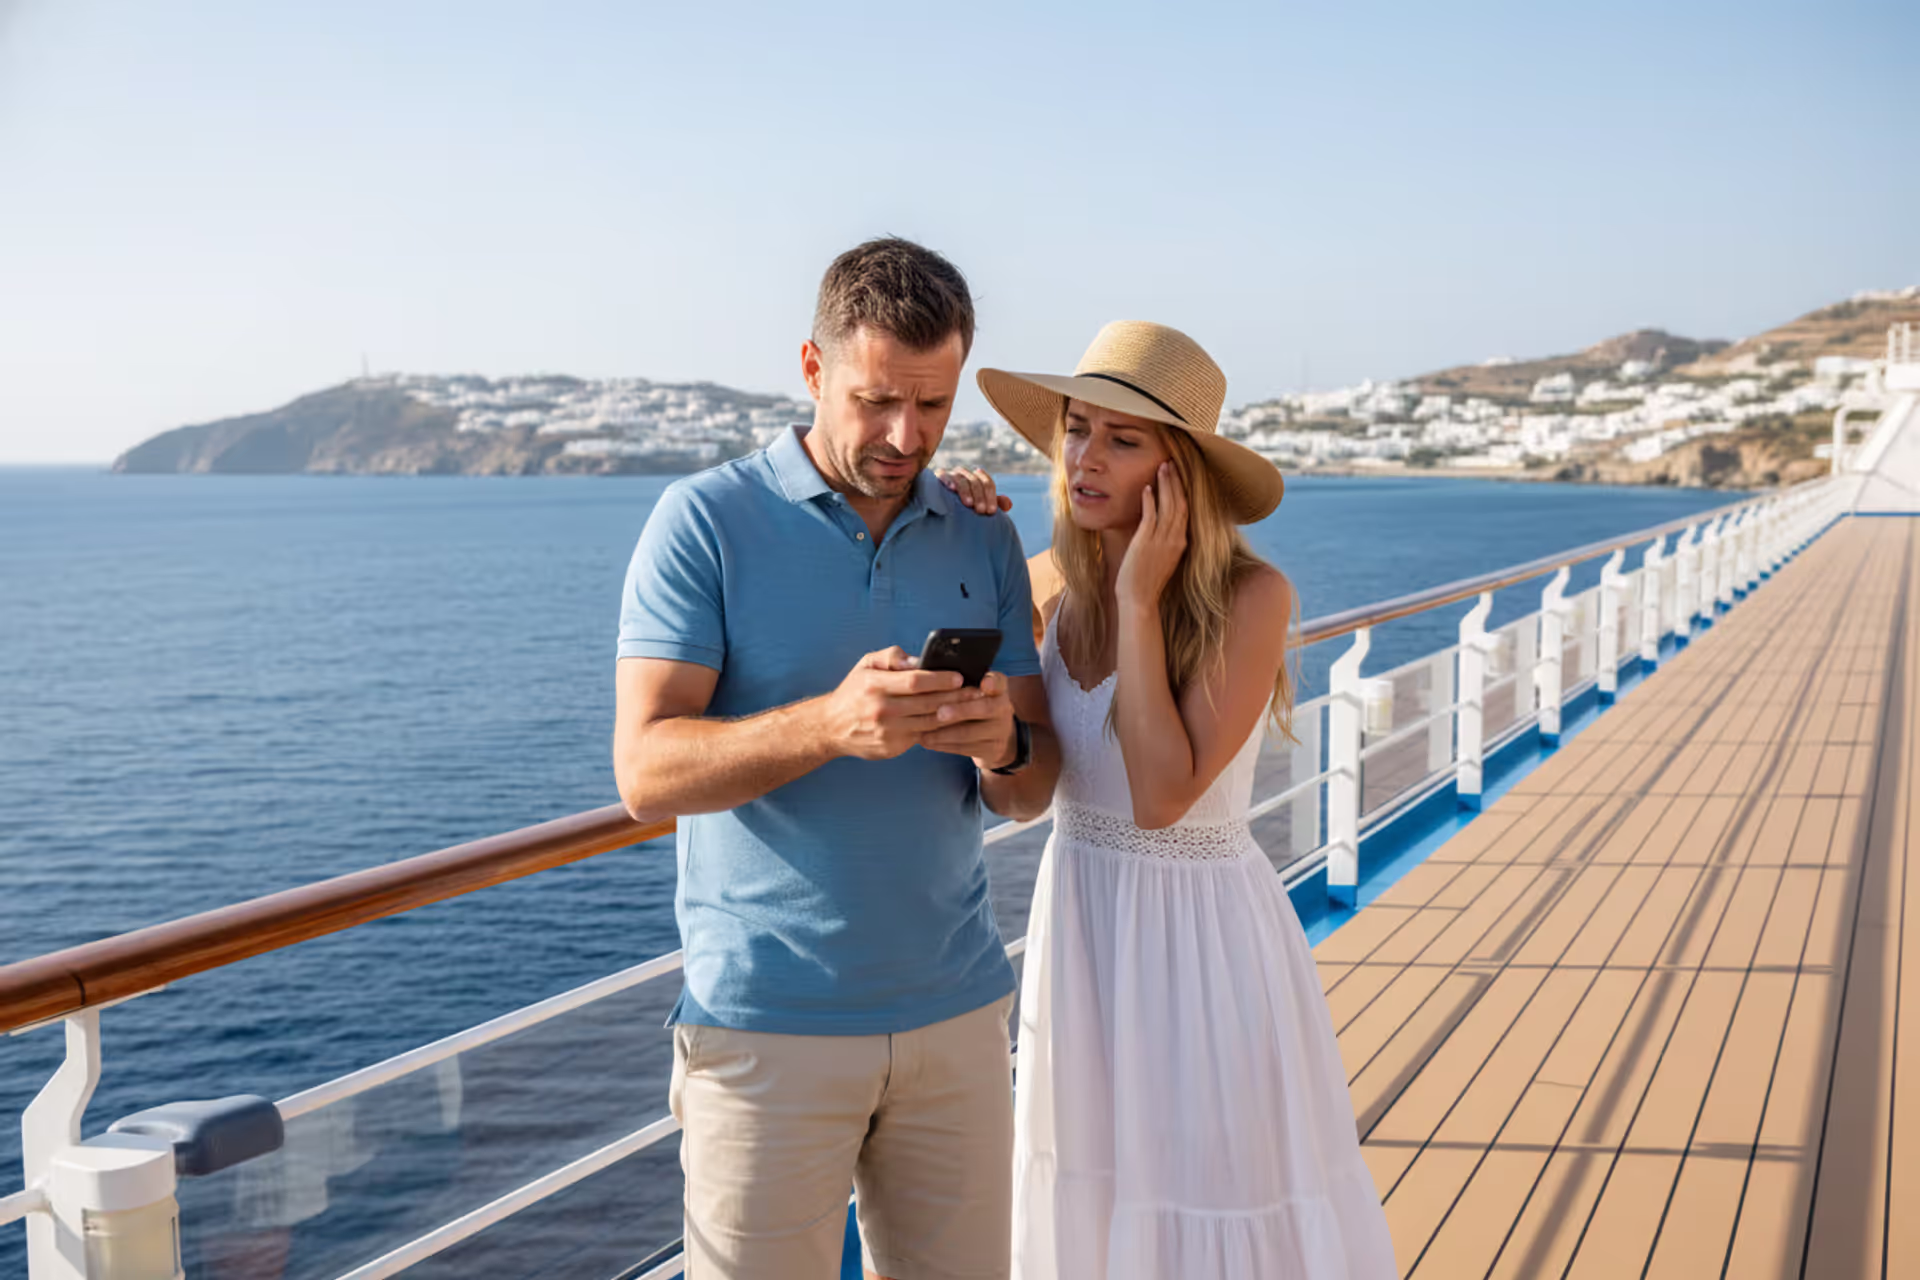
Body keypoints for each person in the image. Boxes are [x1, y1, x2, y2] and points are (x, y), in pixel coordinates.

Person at [612, 237, 1060, 1280]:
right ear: (813, 369)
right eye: (877, 400)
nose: (907, 436)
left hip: (957, 1018)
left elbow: (1032, 791)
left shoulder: (982, 534)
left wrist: (1002, 745)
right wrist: (828, 724)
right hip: (766, 1030)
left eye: (934, 404)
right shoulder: (704, 522)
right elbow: (643, 772)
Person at [941, 322, 1397, 1279]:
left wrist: (1140, 602)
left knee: (1208, 1198)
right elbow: (1019, 789)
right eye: (1076, 429)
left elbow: (1159, 799)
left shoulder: (1252, 598)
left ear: (1177, 472)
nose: (1085, 458)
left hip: (1199, 946)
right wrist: (961, 541)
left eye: (1122, 439)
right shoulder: (1047, 587)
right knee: (1092, 1189)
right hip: (1083, 925)